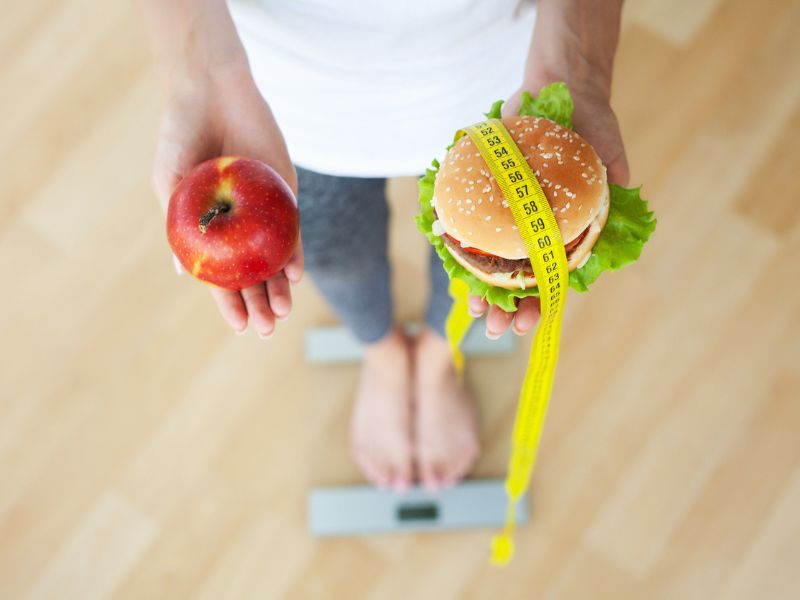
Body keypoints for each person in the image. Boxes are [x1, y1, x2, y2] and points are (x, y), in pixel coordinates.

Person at [136, 0, 629, 494]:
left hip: (504, 77)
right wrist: (200, 74)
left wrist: (577, 67)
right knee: (331, 251)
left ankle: (439, 356)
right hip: (272, 99)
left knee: (481, 264)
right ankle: (383, 354)